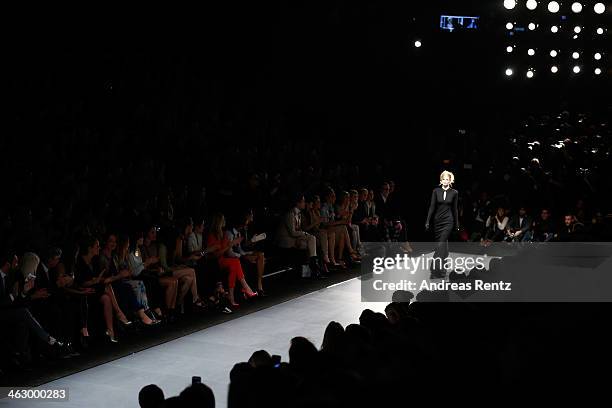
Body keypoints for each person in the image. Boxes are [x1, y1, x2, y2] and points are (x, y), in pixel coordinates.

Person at [208, 213, 258, 308]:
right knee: (235, 262)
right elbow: (217, 254)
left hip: (224, 258)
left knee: (235, 264)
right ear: (219, 222)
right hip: (217, 261)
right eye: (223, 220)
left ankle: (233, 296)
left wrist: (232, 244)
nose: (225, 221)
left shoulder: (223, 233)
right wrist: (231, 244)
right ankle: (246, 289)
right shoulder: (213, 235)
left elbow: (226, 249)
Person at [276, 195, 322, 276]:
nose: (305, 203)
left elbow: (297, 230)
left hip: (294, 238)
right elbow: (292, 232)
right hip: (286, 240)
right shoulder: (290, 214)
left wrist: (300, 236)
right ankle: (312, 268)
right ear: (298, 203)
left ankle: (313, 267)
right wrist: (303, 234)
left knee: (312, 239)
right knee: (309, 244)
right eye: (303, 201)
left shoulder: (299, 214)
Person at [425, 171, 459, 278]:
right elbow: (432, 206)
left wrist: (457, 223)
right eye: (443, 179)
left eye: (447, 179)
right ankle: (443, 268)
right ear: (441, 180)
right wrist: (427, 220)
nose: (445, 181)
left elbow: (455, 209)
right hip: (437, 221)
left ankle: (434, 269)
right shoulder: (436, 191)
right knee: (444, 246)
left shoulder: (454, 192)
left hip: (448, 221)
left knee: (440, 245)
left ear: (450, 180)